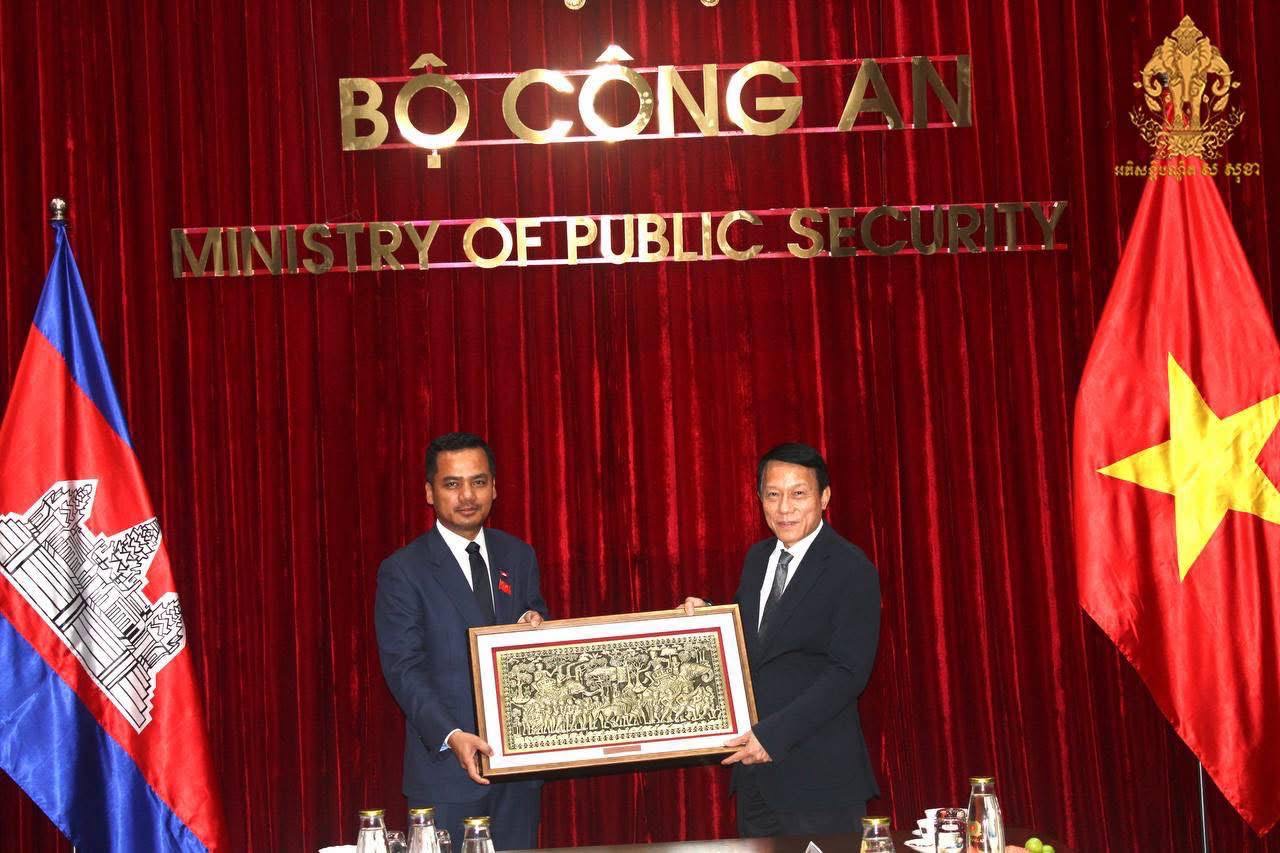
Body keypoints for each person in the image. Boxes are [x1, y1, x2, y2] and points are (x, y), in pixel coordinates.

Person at [682, 442, 880, 837]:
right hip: (756, 779)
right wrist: (707, 617)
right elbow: (754, 642)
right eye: (773, 494)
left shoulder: (851, 568)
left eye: (798, 493)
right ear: (760, 499)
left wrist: (772, 737)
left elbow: (848, 673)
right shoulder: (758, 559)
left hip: (819, 781)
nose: (784, 507)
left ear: (824, 497)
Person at [376, 432, 548, 850]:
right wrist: (452, 734)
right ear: (430, 493)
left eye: (479, 482)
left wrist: (537, 627)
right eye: (452, 484)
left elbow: (537, 635)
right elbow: (403, 669)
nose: (467, 495)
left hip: (518, 770)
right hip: (446, 774)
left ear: (495, 488)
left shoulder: (518, 555)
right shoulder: (404, 570)